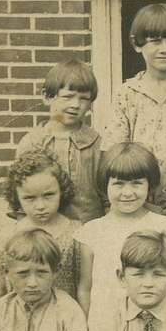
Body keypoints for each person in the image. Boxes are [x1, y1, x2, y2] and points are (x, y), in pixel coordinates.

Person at [103, 2, 166, 216]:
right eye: (155, 41)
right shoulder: (127, 93)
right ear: (137, 44)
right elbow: (115, 155)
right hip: (135, 202)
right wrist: (141, 204)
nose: (164, 49)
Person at [76, 142, 166, 315]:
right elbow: (85, 288)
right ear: (105, 185)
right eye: (119, 184)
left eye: (137, 183)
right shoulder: (92, 232)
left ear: (150, 185)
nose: (127, 192)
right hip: (105, 323)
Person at [0, 150, 89, 307]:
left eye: (49, 195)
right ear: (17, 197)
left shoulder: (77, 233)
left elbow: (84, 287)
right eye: (30, 198)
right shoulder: (11, 233)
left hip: (63, 316)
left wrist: (84, 326)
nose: (40, 206)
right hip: (20, 314)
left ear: (61, 191)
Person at [16, 59, 104, 222]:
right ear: (47, 97)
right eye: (68, 96)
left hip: (89, 231)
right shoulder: (31, 143)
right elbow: (20, 199)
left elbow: (107, 196)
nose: (76, 104)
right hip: (44, 232)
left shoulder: (97, 144)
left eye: (84, 99)